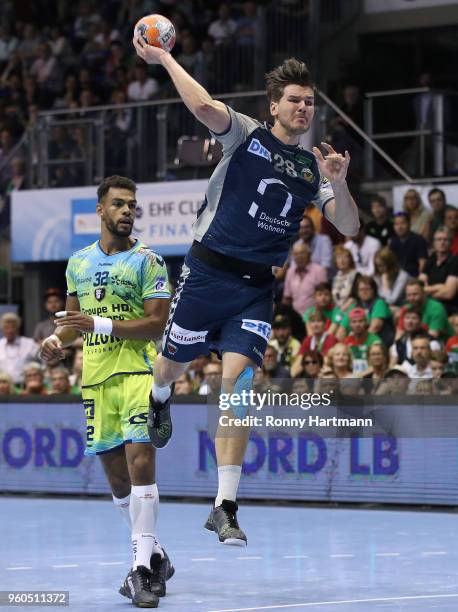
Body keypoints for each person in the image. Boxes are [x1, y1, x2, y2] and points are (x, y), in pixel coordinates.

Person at [131, 39, 359, 545]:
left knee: (237, 393)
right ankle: (159, 396)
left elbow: (347, 225)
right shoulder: (247, 135)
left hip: (256, 289)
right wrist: (164, 57)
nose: (303, 109)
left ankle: (224, 506)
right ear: (273, 105)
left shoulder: (312, 168)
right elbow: (204, 107)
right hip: (207, 274)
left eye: (310, 102)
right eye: (295, 100)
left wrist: (339, 184)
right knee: (170, 365)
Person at [40, 176, 173, 608]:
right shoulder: (77, 262)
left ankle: (138, 572)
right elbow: (74, 320)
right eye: (118, 204)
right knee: (118, 483)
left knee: (141, 466)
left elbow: (157, 324)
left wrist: (97, 325)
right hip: (95, 380)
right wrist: (58, 342)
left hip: (138, 373)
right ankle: (154, 555)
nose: (127, 211)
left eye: (132, 205)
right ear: (100, 210)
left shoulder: (148, 260)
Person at [337, 276, 395, 347]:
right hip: (358, 344)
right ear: (357, 292)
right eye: (361, 289)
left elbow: (375, 327)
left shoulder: (379, 303)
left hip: (379, 345)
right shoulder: (353, 306)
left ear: (373, 290)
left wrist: (360, 344)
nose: (364, 292)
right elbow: (342, 330)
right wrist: (340, 346)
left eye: (367, 289)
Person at [419, 227, 458, 316]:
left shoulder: (455, 261)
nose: (442, 243)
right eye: (439, 240)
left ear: (450, 242)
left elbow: (449, 293)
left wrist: (426, 292)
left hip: (448, 307)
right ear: (434, 243)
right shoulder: (431, 259)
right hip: (428, 303)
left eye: (445, 240)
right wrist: (439, 286)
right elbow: (420, 284)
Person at [283, 242, 327, 315]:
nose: (299, 257)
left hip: (315, 317)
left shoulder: (319, 270)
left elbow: (324, 298)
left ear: (309, 254)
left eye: (302, 253)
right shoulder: (290, 272)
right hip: (295, 318)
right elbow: (287, 298)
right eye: (296, 254)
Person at [0, 312, 38, 386]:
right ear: (2, 329)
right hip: (3, 387)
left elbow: (44, 359)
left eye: (13, 327)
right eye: (6, 327)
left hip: (25, 385)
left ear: (18, 328)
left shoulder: (29, 343)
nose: (10, 330)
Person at [342, 307, 383, 374]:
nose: (357, 324)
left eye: (360, 321)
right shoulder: (347, 341)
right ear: (350, 324)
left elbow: (379, 364)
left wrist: (360, 376)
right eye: (354, 322)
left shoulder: (375, 340)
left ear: (366, 322)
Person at [389, 212, 428, 278]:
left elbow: (422, 262)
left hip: (413, 276)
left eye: (403, 223)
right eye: (396, 224)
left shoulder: (418, 239)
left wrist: (418, 279)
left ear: (409, 224)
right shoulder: (393, 241)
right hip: (397, 275)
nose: (400, 227)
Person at [331, 245, 359, 311]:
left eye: (345, 257)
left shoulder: (356, 275)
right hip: (337, 310)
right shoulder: (335, 278)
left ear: (350, 260)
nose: (342, 260)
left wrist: (342, 311)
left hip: (351, 310)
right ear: (335, 261)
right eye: (339, 257)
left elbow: (354, 297)